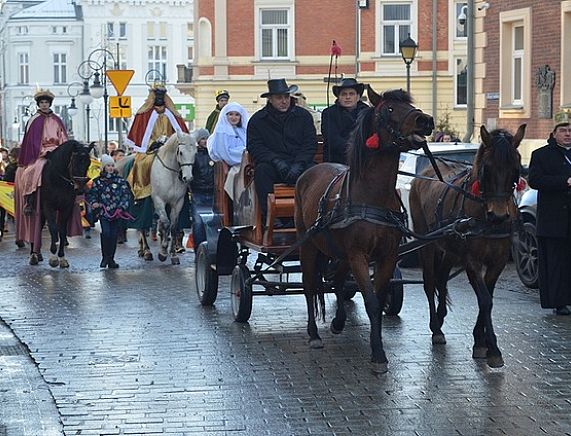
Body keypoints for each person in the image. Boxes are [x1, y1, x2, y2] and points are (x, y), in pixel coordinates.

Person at [14, 89, 82, 260]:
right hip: (41, 154)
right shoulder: (33, 120)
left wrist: (63, 151)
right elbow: (30, 142)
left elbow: (63, 139)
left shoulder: (57, 120)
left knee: (71, 170)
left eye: (46, 103)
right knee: (33, 169)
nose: (44, 105)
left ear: (50, 104)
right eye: (41, 103)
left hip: (57, 152)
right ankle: (29, 199)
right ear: (39, 104)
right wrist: (42, 152)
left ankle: (74, 197)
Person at [247, 78, 317, 221]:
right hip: (274, 165)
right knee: (261, 172)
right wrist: (276, 161)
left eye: (286, 97)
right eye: (279, 98)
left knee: (317, 172)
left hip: (299, 164)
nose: (284, 101)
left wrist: (299, 163)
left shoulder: (303, 116)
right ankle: (271, 218)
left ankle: (314, 216)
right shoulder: (258, 120)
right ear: (270, 99)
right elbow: (255, 146)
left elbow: (309, 143)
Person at [124, 84, 189, 234]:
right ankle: (143, 190)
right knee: (142, 163)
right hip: (149, 149)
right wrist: (152, 143)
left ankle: (187, 189)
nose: (159, 98)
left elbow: (181, 134)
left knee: (185, 163)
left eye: (162, 95)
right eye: (157, 94)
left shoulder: (173, 114)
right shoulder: (144, 114)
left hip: (170, 147)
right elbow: (140, 135)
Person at [528, 110, 571, 315]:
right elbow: (535, 180)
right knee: (556, 263)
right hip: (554, 220)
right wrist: (564, 182)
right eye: (563, 130)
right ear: (554, 134)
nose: (568, 134)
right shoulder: (541, 155)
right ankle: (558, 301)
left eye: (570, 130)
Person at [86, 154, 132, 268]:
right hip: (103, 212)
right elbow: (92, 194)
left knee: (114, 235)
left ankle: (111, 258)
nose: (111, 168)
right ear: (103, 167)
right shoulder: (98, 181)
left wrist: (122, 207)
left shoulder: (120, 181)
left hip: (117, 212)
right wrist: (94, 203)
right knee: (106, 233)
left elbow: (126, 195)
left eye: (112, 165)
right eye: (108, 166)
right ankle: (104, 257)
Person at [207, 102, 249, 200]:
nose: (234, 117)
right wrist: (244, 153)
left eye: (237, 114)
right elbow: (225, 153)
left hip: (246, 163)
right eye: (230, 114)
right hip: (232, 164)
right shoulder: (221, 131)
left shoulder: (243, 130)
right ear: (225, 116)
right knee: (236, 174)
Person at [321, 78, 369, 164]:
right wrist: (352, 148)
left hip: (363, 158)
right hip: (336, 160)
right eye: (344, 94)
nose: (347, 97)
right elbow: (332, 138)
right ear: (338, 97)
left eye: (351, 94)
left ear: (358, 97)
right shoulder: (329, 113)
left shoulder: (367, 112)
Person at [189, 128, 215, 248]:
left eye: (207, 138)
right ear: (198, 141)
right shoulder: (193, 155)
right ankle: (199, 249)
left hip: (213, 193)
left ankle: (212, 247)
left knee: (213, 223)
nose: (205, 141)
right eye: (202, 139)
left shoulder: (214, 154)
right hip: (198, 193)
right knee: (198, 223)